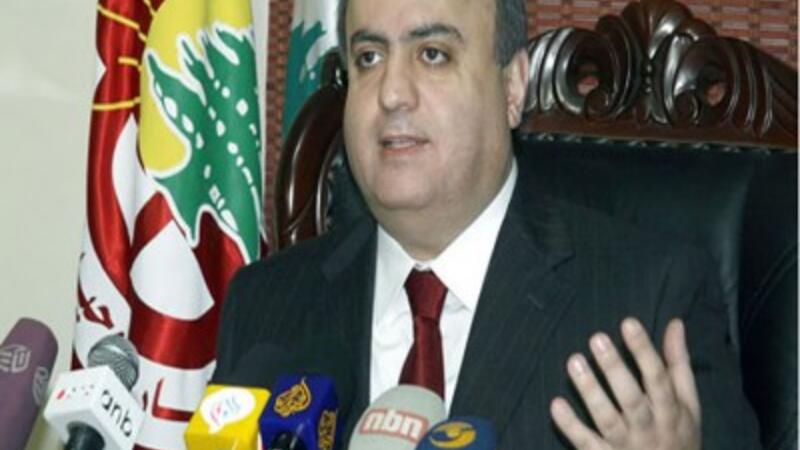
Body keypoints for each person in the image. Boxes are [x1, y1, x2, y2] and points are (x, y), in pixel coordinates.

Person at [213, 0, 762, 447]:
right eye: (369, 57)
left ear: (513, 87)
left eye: (432, 54)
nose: (392, 93)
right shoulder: (266, 305)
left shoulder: (649, 299)